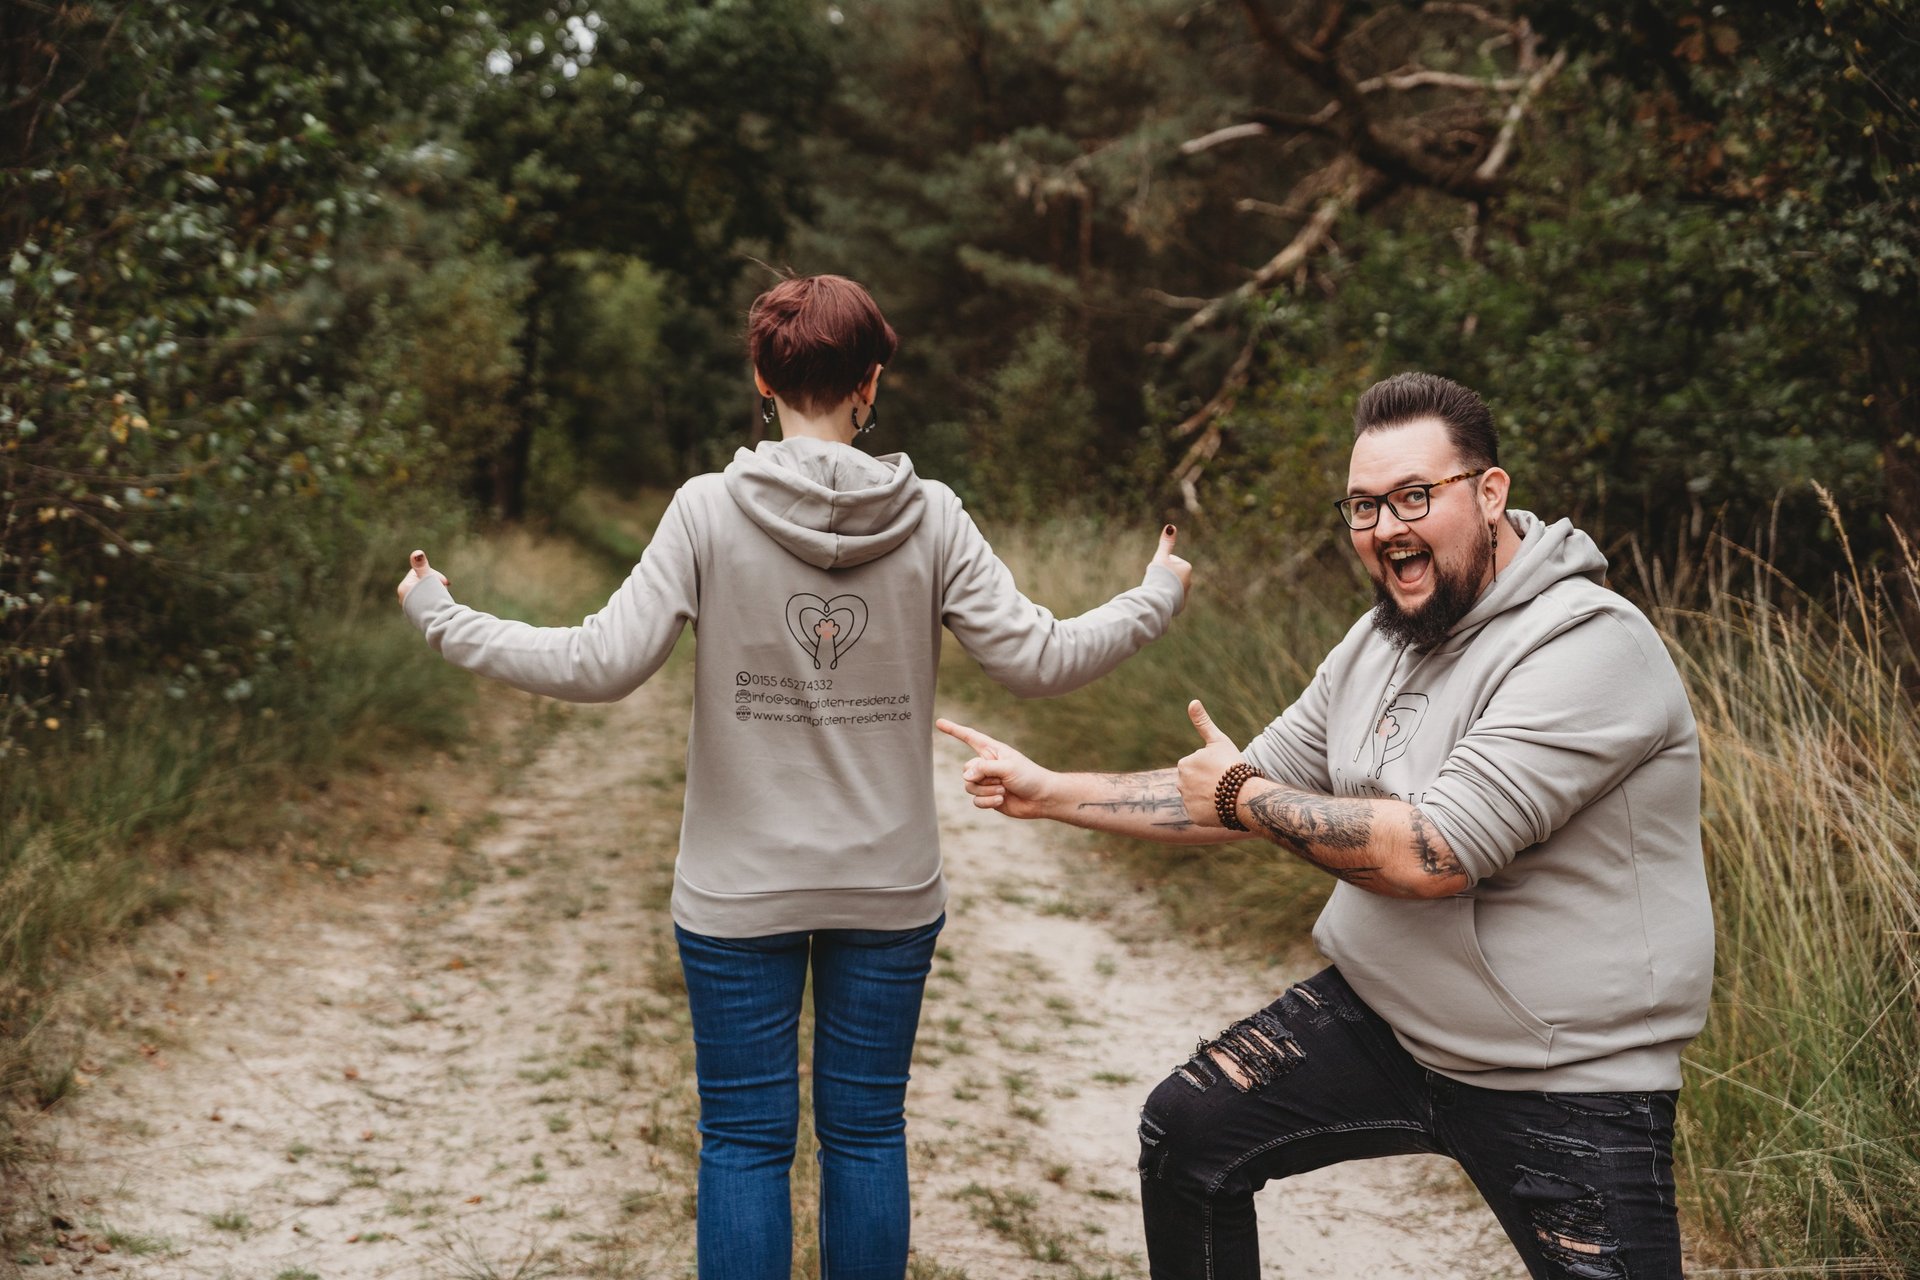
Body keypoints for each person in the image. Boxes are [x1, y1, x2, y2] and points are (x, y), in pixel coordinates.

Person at [394, 273, 1191, 1280]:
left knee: (743, 1139)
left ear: (763, 379)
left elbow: (597, 664)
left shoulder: (705, 511)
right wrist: (1156, 591)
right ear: (871, 383)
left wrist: (441, 613)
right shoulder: (935, 515)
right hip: (889, 883)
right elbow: (1040, 659)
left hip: (736, 886)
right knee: (864, 1131)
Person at [938, 371, 1714, 1280]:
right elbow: (1237, 787)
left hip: (1566, 1077)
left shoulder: (1587, 647)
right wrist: (1048, 791)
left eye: (1415, 496)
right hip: (1391, 1021)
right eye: (1363, 508)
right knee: (1187, 1136)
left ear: (1490, 492)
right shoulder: (1382, 641)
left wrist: (1241, 795)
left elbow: (1430, 853)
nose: (1388, 529)